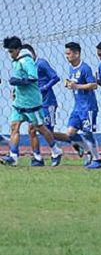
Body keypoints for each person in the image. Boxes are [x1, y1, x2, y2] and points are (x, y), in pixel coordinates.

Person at [1, 37, 63, 167]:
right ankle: (14, 157)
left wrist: (19, 81)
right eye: (9, 52)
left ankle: (56, 151)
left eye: (11, 51)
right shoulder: (15, 61)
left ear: (18, 49)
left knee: (40, 128)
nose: (10, 54)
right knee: (14, 127)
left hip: (31, 103)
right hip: (19, 103)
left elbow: (33, 77)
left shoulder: (27, 60)